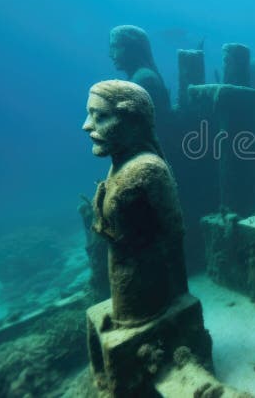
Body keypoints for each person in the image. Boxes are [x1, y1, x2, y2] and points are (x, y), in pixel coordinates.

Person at [82, 80, 187, 326]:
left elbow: (174, 230)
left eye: (100, 116)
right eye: (89, 115)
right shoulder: (118, 166)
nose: (86, 126)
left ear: (132, 120)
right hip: (125, 290)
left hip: (147, 295)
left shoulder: (148, 170)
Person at [109, 25, 171, 127]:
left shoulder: (144, 79)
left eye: (116, 46)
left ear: (132, 48)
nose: (110, 54)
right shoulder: (142, 77)